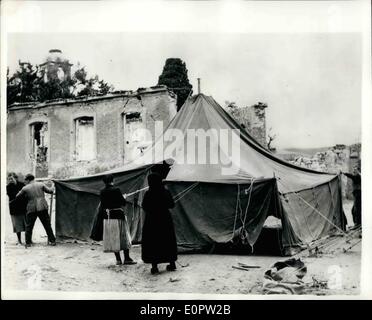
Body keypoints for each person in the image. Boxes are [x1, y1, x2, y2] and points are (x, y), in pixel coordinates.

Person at [141, 172, 177, 275]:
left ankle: (155, 266)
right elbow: (172, 205)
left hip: (152, 220)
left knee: (153, 242)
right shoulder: (166, 192)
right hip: (165, 219)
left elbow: (144, 207)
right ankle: (172, 263)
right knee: (167, 240)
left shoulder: (148, 193)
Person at [98, 174, 136, 265]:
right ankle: (127, 258)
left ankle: (118, 259)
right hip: (118, 215)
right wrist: (124, 197)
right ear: (112, 180)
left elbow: (103, 205)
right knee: (123, 236)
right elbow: (122, 203)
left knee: (113, 237)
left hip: (108, 217)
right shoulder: (116, 190)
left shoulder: (102, 191)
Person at [12, 174, 56, 247]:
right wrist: (53, 185)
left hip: (31, 208)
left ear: (28, 180)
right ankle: (52, 241)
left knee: (29, 226)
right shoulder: (41, 184)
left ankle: (28, 243)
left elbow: (17, 197)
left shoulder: (25, 188)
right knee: (47, 225)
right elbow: (51, 191)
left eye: (25, 180)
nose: (25, 181)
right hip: (42, 207)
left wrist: (26, 197)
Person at [6, 173, 27, 245]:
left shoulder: (22, 185)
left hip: (23, 208)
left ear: (15, 178)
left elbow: (25, 194)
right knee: (17, 226)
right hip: (14, 209)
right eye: (9, 179)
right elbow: (12, 195)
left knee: (26, 224)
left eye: (11, 179)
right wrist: (19, 194)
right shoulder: (8, 187)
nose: (10, 180)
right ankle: (19, 240)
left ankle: (28, 240)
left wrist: (19, 194)